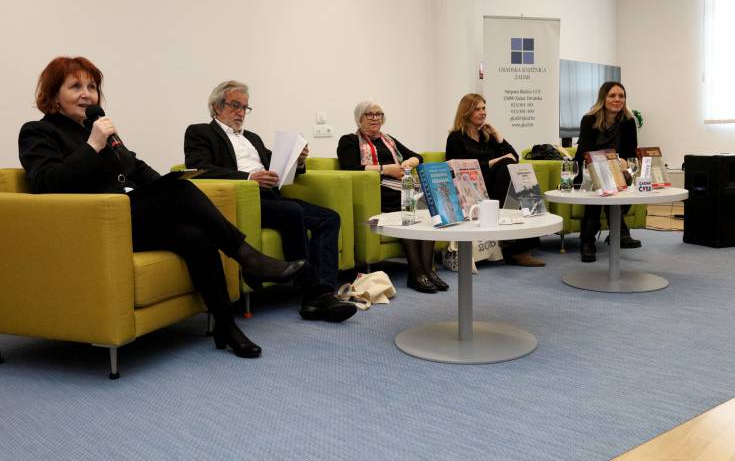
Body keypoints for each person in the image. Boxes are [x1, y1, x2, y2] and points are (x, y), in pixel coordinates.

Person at [18, 56, 310, 360]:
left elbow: (135, 166)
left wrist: (164, 185)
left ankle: (226, 326)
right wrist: (92, 145)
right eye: (75, 86)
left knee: (194, 234)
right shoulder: (39, 131)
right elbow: (47, 183)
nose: (86, 94)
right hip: (94, 223)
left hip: (129, 215)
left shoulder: (98, 129)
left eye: (92, 87)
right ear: (53, 95)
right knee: (181, 192)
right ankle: (248, 258)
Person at [184, 80, 356, 323]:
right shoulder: (200, 132)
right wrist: (249, 178)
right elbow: (199, 168)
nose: (241, 112)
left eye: (245, 107)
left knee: (329, 218)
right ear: (216, 107)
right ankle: (313, 295)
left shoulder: (252, 138)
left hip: (272, 198)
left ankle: (325, 291)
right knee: (292, 211)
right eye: (235, 105)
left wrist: (297, 160)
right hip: (242, 200)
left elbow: (277, 165)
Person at [337, 99, 448, 293]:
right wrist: (385, 169)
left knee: (425, 210)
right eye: (370, 114)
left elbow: (417, 156)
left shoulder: (388, 140)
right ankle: (416, 273)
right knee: (405, 208)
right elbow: (350, 167)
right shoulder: (349, 140)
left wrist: (409, 163)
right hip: (376, 190)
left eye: (378, 114)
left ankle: (428, 270)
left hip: (400, 187)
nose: (375, 118)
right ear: (359, 119)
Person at [445, 93, 545, 267]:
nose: (483, 112)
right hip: (473, 190)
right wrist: (494, 162)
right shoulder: (455, 138)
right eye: (477, 109)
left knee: (515, 171)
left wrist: (498, 136)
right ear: (466, 112)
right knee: (507, 168)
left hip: (498, 186)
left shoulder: (487, 136)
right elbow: (460, 169)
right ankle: (518, 249)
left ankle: (517, 243)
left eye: (484, 108)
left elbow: (514, 158)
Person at [573, 81, 641, 263]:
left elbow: (631, 153)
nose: (617, 99)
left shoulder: (628, 121)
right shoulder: (589, 120)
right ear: (603, 98)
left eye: (621, 96)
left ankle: (589, 239)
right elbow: (586, 152)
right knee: (604, 182)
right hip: (588, 168)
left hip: (617, 170)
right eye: (612, 95)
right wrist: (609, 163)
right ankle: (611, 234)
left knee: (617, 179)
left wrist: (623, 162)